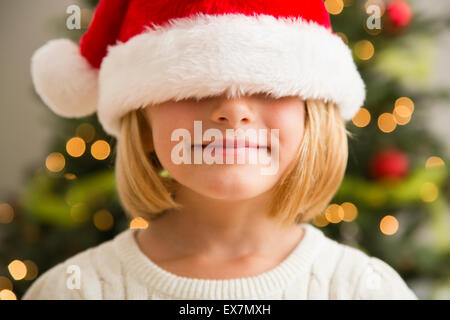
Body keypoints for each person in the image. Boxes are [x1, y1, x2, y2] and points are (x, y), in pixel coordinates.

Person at [23, 0, 417, 300]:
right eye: (197, 86)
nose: (233, 111)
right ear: (143, 124)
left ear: (310, 116)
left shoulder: (364, 291)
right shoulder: (71, 292)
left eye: (267, 85)